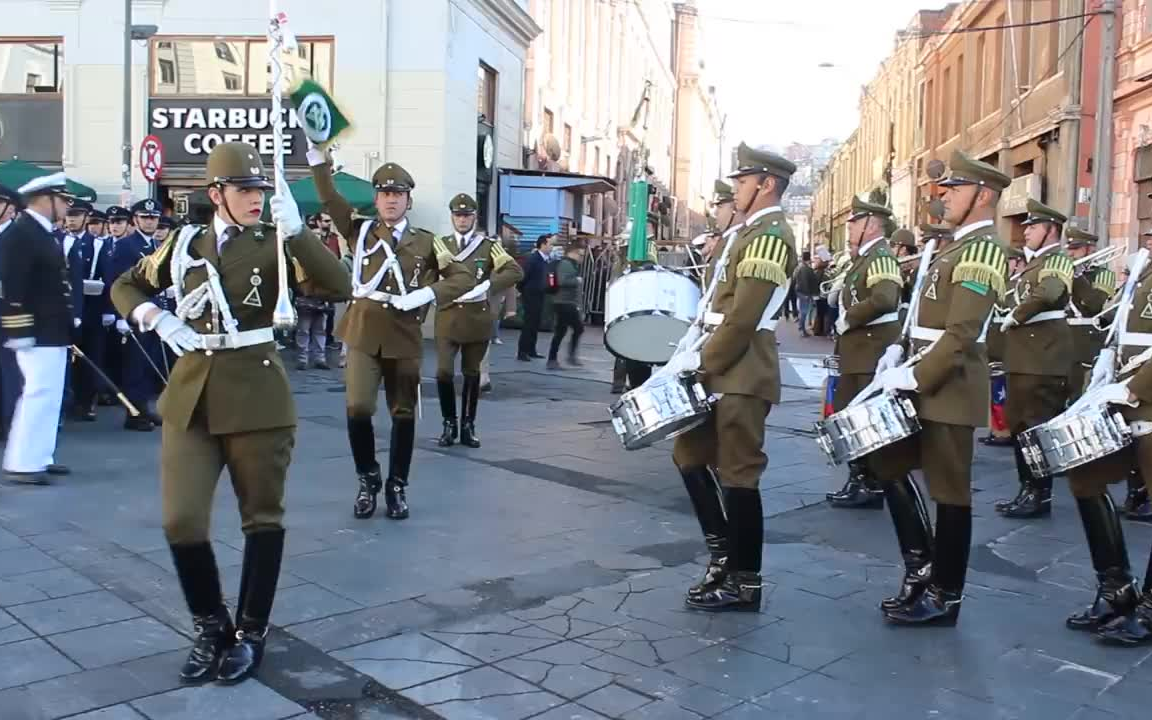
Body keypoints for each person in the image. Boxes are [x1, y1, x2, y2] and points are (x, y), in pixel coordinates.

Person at [111, 142, 350, 684]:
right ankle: (210, 624)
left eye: (260, 191)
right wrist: (155, 317)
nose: (255, 200)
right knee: (181, 519)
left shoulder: (274, 242)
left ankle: (251, 631)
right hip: (191, 395)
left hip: (256, 394)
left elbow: (337, 286)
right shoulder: (184, 242)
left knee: (261, 518)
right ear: (215, 194)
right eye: (244, 190)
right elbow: (127, 285)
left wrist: (301, 235)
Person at [870, 150, 1010, 626]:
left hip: (948, 385)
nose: (943, 196)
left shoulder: (985, 249)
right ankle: (920, 571)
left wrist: (916, 377)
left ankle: (945, 595)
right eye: (944, 188)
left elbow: (962, 332)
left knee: (950, 493)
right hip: (922, 375)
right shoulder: (953, 246)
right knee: (887, 465)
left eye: (955, 189)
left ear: (983, 195)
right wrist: (899, 351)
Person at [307, 146, 473, 521]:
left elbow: (462, 276)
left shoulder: (428, 243)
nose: (390, 200)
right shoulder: (360, 230)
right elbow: (330, 197)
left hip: (404, 336)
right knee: (358, 408)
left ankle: (397, 485)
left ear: (408, 200)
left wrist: (426, 293)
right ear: (376, 198)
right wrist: (319, 160)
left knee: (403, 414)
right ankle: (368, 478)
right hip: (363, 332)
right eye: (384, 194)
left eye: (397, 194)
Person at [667, 143, 798, 613]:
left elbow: (743, 318)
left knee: (739, 474)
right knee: (688, 455)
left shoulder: (769, 236)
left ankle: (745, 581)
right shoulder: (746, 234)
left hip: (741, 370)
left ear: (765, 185)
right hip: (719, 364)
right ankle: (722, 557)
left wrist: (702, 368)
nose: (735, 189)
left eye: (742, 182)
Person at [1059, 226, 1152, 646]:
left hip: (1145, 396)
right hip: (1124, 396)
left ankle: (1150, 609)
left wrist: (1137, 386)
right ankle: (1116, 589)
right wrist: (1109, 360)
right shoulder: (1143, 271)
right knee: (1086, 479)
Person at [994, 199, 1073, 520]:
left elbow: (1049, 292)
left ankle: (1039, 493)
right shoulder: (1033, 263)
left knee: (1036, 429)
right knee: (1021, 428)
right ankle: (1027, 488)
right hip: (1025, 359)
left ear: (1051, 231)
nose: (1026, 232)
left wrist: (1017, 314)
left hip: (1043, 359)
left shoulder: (1057, 260)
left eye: (1034, 227)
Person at [825, 197, 903, 510]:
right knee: (849, 415)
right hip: (858, 352)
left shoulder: (881, 256)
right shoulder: (864, 257)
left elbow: (884, 298)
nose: (849, 227)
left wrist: (849, 318)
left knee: (863, 419)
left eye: (854, 222)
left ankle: (871, 484)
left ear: (871, 225)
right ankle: (861, 479)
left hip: (870, 351)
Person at [0, 173, 77, 484]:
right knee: (37, 392)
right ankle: (22, 462)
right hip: (36, 331)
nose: (68, 207)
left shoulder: (39, 232)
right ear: (46, 199)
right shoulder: (22, 233)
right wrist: (19, 331)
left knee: (49, 395)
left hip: (52, 329)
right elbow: (9, 287)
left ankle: (40, 456)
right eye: (64, 200)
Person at [1064, 228, 1144, 519]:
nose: (1069, 254)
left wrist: (1076, 277)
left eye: (1074, 250)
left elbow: (1094, 304)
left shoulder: (1104, 275)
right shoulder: (1140, 277)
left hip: (1131, 366)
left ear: (1086, 249)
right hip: (1098, 354)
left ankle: (1141, 492)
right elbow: (1115, 315)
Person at [434, 193, 522, 447]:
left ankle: (468, 425)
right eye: (458, 215)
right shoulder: (441, 244)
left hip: (476, 318)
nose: (462, 220)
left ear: (475, 217)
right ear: (452, 217)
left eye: (467, 215)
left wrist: (488, 286)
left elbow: (515, 271)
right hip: (448, 317)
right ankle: (448, 423)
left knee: (472, 374)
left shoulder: (488, 246)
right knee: (443, 372)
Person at [111, 199, 166, 431]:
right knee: (135, 367)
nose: (150, 221)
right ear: (135, 220)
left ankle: (144, 408)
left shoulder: (156, 245)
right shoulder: (127, 246)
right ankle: (134, 414)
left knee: (148, 364)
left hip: (154, 313)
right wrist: (120, 315)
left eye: (153, 218)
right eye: (145, 217)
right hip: (135, 313)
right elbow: (116, 282)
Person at [71, 202, 117, 421]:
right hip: (67, 308)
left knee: (90, 357)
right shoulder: (60, 240)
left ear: (86, 218)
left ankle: (87, 401)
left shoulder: (97, 245)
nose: (72, 220)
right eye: (69, 215)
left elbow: (108, 278)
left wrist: (108, 309)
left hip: (92, 308)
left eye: (77, 215)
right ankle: (68, 400)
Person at [101, 206, 132, 407]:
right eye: (112, 222)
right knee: (107, 353)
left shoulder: (130, 246)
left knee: (126, 357)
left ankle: (123, 393)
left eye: (119, 222)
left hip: (123, 308)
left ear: (128, 225)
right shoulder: (104, 245)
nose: (115, 226)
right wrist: (106, 310)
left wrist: (122, 315)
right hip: (105, 306)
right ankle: (108, 391)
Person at [547, 240, 586, 370]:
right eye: (580, 255)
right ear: (573, 253)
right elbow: (563, 280)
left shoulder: (571, 264)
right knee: (576, 328)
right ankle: (564, 357)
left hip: (565, 301)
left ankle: (555, 358)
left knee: (562, 331)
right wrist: (577, 280)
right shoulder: (566, 264)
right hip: (563, 302)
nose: (581, 258)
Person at [517, 235, 552, 361]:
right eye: (550, 244)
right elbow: (523, 276)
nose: (551, 247)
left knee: (535, 323)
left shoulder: (545, 260)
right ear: (542, 245)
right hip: (531, 295)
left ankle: (531, 349)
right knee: (529, 323)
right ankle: (522, 351)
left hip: (540, 294)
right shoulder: (533, 259)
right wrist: (522, 291)